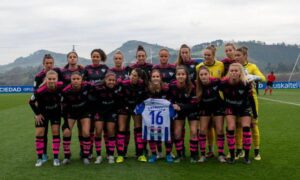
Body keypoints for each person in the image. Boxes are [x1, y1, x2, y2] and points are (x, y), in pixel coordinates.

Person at [220, 63, 256, 164]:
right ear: (229, 72)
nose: (233, 72)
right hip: (230, 108)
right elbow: (216, 93)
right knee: (231, 128)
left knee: (246, 127)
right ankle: (232, 156)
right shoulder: (223, 83)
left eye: (236, 71)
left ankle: (246, 157)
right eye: (231, 71)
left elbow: (251, 99)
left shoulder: (246, 83)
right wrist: (223, 105)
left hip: (244, 107)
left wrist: (255, 114)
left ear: (240, 72)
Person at [235, 46, 266, 161]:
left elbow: (263, 78)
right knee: (238, 124)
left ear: (245, 56)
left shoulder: (252, 67)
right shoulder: (234, 67)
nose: (236, 57)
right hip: (237, 100)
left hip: (250, 99)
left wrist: (252, 77)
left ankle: (257, 151)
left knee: (253, 125)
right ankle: (239, 150)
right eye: (235, 55)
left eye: (239, 55)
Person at [29, 70, 63, 167]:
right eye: (49, 79)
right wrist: (37, 114)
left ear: (57, 79)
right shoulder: (39, 91)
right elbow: (31, 102)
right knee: (39, 133)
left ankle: (56, 158)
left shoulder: (61, 86)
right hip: (43, 113)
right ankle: (39, 158)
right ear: (46, 79)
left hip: (55, 113)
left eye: (54, 79)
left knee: (56, 132)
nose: (52, 81)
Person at [196, 45, 225, 158]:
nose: (203, 76)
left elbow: (226, 83)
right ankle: (204, 154)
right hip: (205, 108)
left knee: (219, 129)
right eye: (201, 74)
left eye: (205, 74)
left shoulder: (217, 81)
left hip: (218, 106)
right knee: (203, 129)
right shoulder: (198, 85)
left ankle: (221, 154)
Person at [89, 71, 123, 164]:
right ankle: (99, 155)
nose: (111, 82)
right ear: (105, 79)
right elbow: (90, 93)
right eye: (109, 80)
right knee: (98, 131)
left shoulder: (117, 87)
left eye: (113, 80)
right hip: (99, 112)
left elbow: (120, 99)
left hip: (111, 112)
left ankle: (111, 155)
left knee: (111, 131)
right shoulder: (97, 87)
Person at [168, 66, 199, 163]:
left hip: (191, 110)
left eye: (183, 74)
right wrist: (172, 104)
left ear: (187, 76)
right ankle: (180, 154)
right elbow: (170, 99)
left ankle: (194, 155)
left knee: (193, 131)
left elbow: (194, 104)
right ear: (176, 75)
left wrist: (180, 106)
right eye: (178, 74)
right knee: (177, 133)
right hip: (179, 111)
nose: (180, 76)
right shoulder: (172, 85)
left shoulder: (192, 86)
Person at [61, 72, 93, 165]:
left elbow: (98, 86)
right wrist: (65, 123)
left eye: (78, 79)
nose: (75, 81)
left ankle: (85, 155)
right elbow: (64, 108)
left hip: (84, 112)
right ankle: (67, 156)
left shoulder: (87, 86)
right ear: (70, 80)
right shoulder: (66, 91)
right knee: (66, 132)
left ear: (81, 79)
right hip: (71, 113)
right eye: (73, 79)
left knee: (86, 133)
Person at [117, 68, 148, 163]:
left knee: (138, 128)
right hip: (124, 107)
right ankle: (121, 155)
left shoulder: (142, 85)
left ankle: (139, 154)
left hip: (136, 108)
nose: (132, 77)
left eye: (135, 76)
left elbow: (144, 99)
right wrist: (124, 107)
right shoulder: (124, 84)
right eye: (131, 74)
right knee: (122, 129)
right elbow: (119, 97)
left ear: (139, 78)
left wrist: (138, 107)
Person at [144, 69, 174, 163]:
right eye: (153, 77)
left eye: (157, 76)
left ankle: (168, 154)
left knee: (167, 134)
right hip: (152, 117)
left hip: (165, 116)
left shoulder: (166, 88)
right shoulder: (147, 89)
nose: (155, 78)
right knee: (152, 134)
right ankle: (154, 154)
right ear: (151, 78)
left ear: (160, 78)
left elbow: (171, 100)